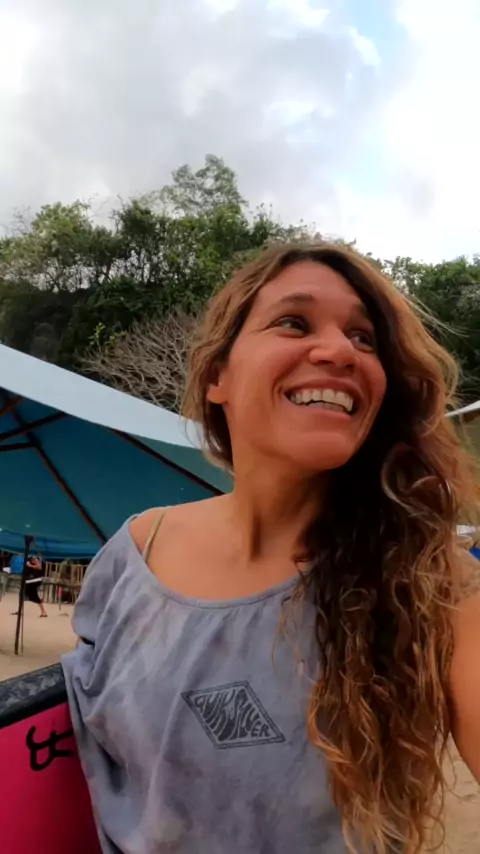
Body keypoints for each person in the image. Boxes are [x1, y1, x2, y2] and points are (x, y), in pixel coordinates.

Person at [63, 243, 480, 854]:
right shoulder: (135, 551)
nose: (340, 351)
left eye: (364, 338)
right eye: (294, 322)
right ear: (217, 378)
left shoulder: (431, 580)